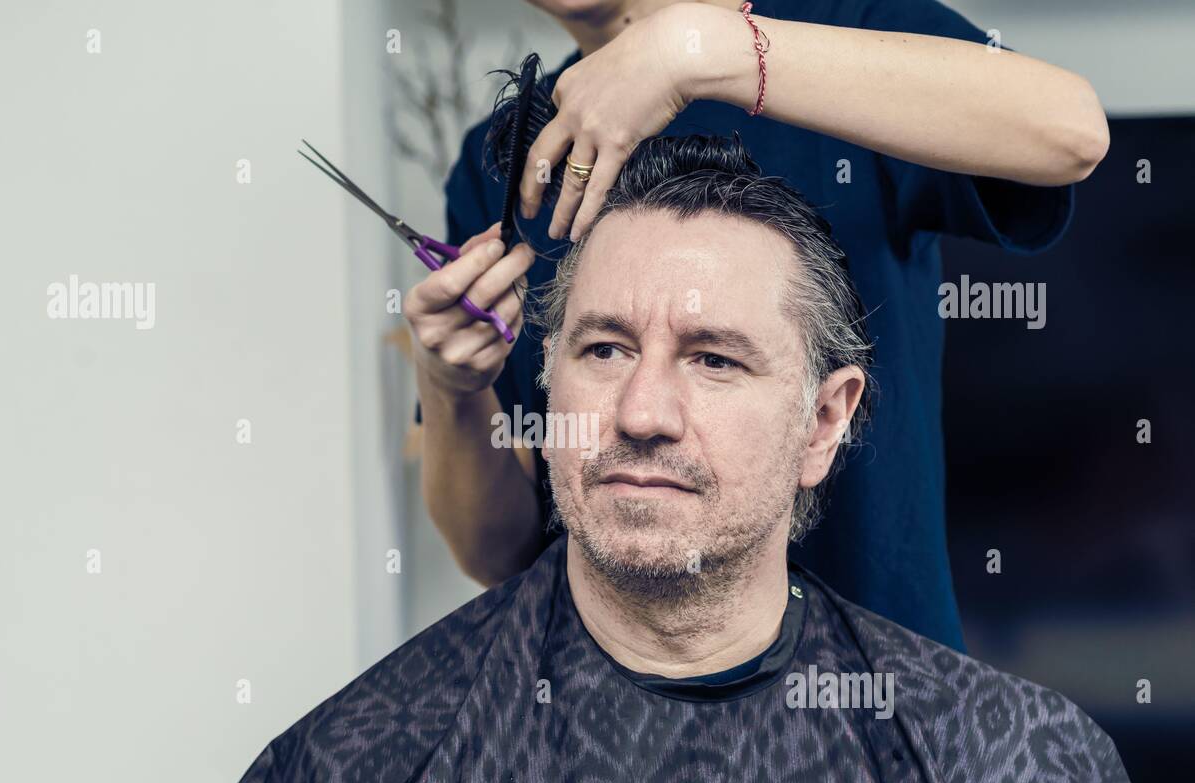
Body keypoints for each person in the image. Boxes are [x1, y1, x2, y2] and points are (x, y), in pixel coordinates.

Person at [191, 138, 1150, 783]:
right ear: (549, 383)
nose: (642, 414)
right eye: (604, 350)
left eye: (715, 359)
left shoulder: (1018, 771)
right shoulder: (351, 775)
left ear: (824, 422)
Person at [415, 0, 1111, 652]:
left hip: (875, 700)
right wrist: (451, 385)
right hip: (605, 727)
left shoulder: (848, 32)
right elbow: (498, 551)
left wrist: (699, 53)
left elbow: (1070, 130)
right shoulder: (508, 163)